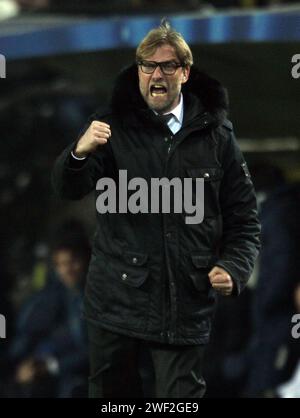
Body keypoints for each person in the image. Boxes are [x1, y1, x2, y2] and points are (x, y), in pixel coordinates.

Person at [52, 20, 260, 398]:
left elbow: (245, 220)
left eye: (167, 66)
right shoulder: (109, 127)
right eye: (147, 65)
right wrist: (78, 152)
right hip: (116, 303)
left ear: (184, 72)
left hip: (185, 303)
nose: (156, 74)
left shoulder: (216, 135)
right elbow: (68, 188)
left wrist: (234, 267)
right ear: (138, 72)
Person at [4, 221, 90, 397]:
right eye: (60, 264)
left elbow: (90, 348)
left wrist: (50, 365)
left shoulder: (88, 297)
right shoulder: (61, 294)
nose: (66, 270)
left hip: (74, 377)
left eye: (73, 262)